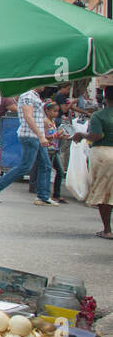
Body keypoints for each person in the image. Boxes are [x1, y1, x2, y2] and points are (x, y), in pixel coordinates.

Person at [0, 85, 54, 206]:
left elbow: (37, 118)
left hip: (36, 136)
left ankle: (43, 196)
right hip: (30, 136)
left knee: (46, 165)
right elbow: (28, 116)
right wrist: (40, 135)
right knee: (25, 166)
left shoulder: (34, 96)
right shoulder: (28, 95)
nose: (45, 85)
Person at [72, 88, 113, 239]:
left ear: (105, 99)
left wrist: (81, 135)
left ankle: (107, 230)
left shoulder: (99, 115)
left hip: (104, 156)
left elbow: (95, 136)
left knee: (103, 193)